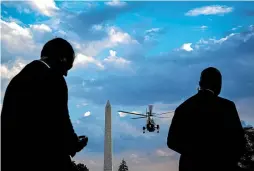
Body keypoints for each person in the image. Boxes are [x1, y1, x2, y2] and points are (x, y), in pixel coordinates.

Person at [1, 38, 88, 171]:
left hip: (12, 160)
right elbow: (61, 120)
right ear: (62, 59)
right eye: (67, 67)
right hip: (43, 159)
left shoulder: (18, 79)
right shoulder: (53, 77)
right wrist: (74, 143)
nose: (66, 74)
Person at [167, 67, 245, 171]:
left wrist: (194, 153)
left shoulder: (183, 108)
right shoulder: (227, 107)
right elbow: (239, 141)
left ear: (200, 83)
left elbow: (172, 142)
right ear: (219, 85)